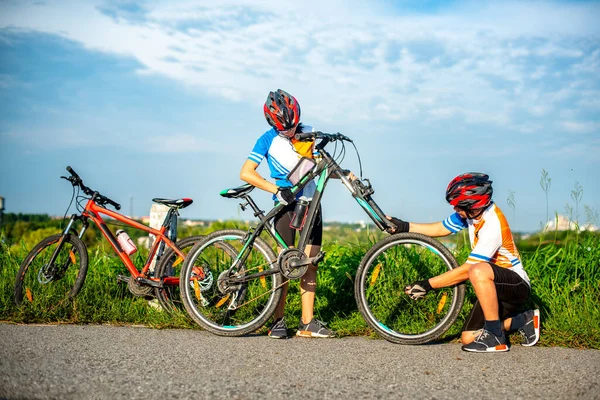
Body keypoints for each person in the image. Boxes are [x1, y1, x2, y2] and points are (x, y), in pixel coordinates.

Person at [389, 172, 540, 352]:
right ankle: (523, 320)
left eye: (458, 206)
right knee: (468, 337)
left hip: (515, 286)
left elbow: (467, 271)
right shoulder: (471, 215)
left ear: (474, 206)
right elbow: (440, 227)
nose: (455, 210)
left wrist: (427, 285)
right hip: (492, 287)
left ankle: (495, 337)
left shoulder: (493, 223)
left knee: (477, 270)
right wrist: (404, 227)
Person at [239, 89, 335, 339]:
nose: (290, 132)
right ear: (273, 124)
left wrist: (342, 173)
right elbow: (247, 172)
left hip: (311, 203)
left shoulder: (309, 132)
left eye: (292, 126)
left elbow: (318, 165)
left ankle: (307, 323)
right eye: (284, 129)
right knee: (285, 264)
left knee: (310, 263)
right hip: (285, 205)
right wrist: (277, 190)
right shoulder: (266, 140)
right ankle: (277, 321)